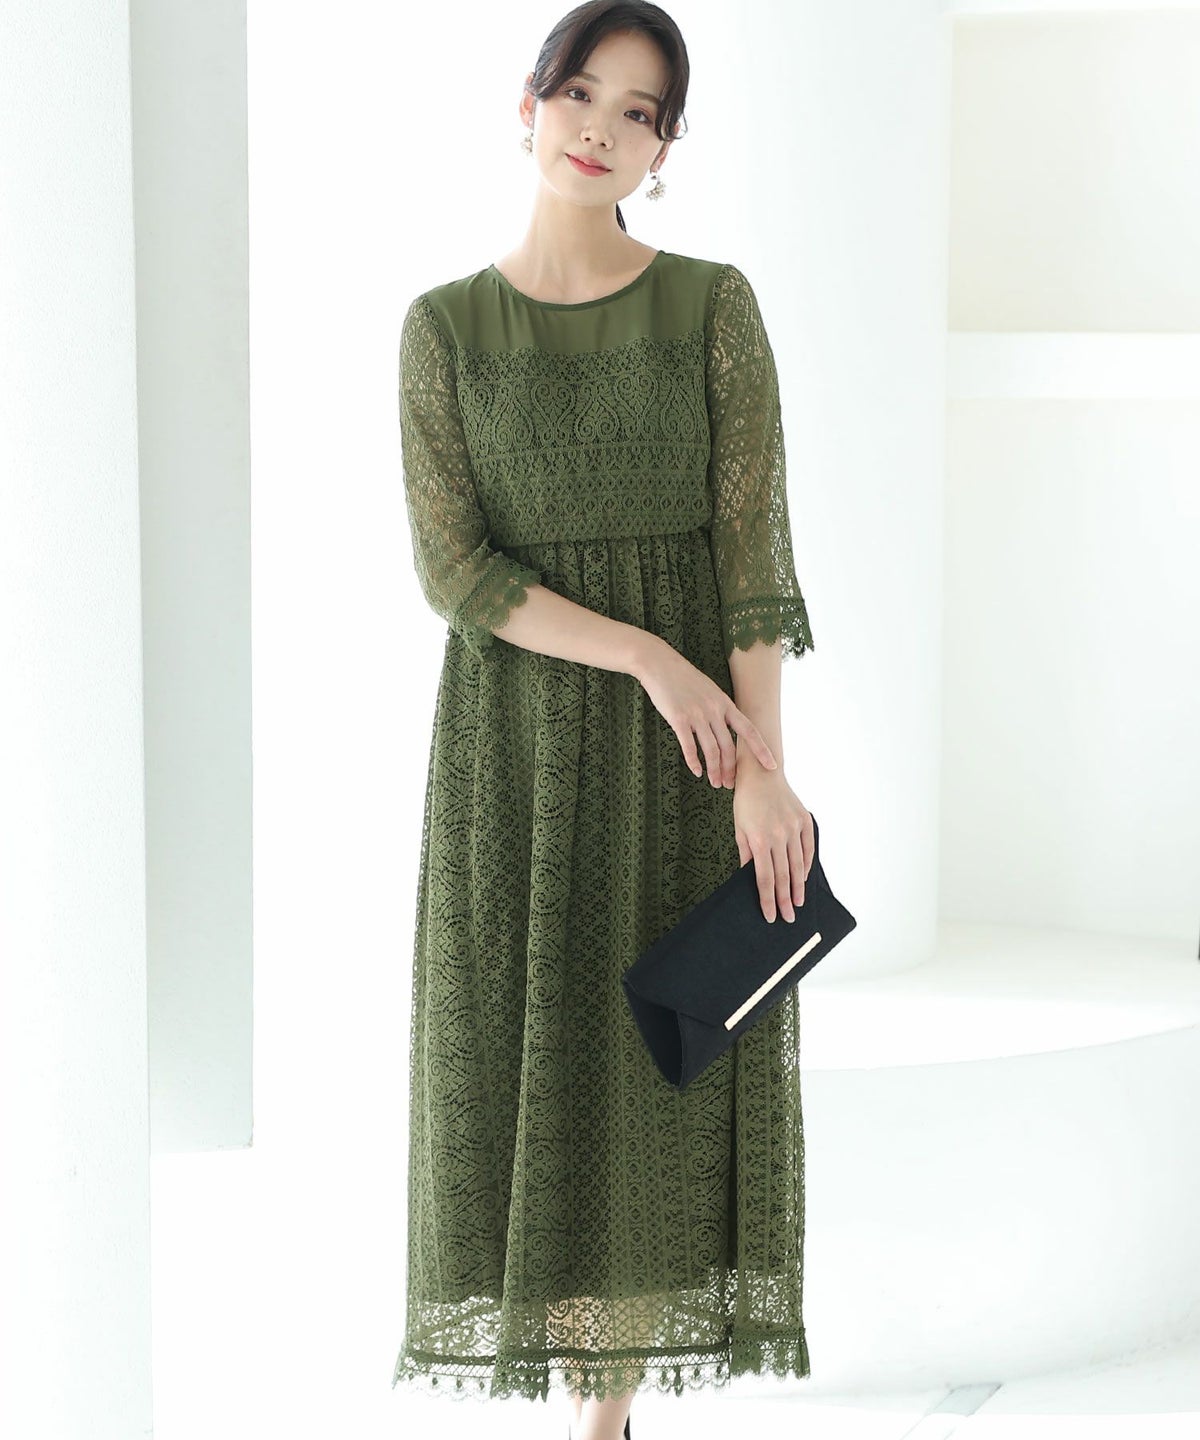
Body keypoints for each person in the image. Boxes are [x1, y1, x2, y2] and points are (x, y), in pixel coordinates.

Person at [390, 4, 816, 1437]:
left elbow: (753, 560)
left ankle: (608, 1418)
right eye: (580, 93)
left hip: (692, 765)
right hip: (515, 756)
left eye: (639, 112)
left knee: (654, 1086)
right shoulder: (444, 331)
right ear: (528, 105)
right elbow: (457, 570)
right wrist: (644, 655)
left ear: (663, 148)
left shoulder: (712, 308)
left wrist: (763, 770)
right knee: (540, 1070)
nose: (600, 129)